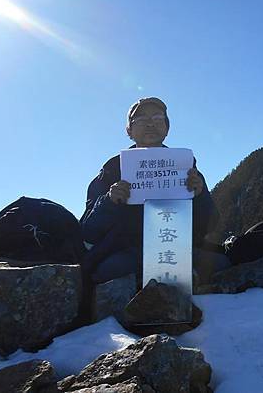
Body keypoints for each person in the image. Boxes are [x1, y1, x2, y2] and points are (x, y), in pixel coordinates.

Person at [80, 97, 230, 286]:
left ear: (167, 129)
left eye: (158, 119)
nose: (150, 124)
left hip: (178, 248)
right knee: (109, 271)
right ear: (129, 131)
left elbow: (210, 224)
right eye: (141, 120)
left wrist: (199, 196)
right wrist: (109, 201)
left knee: (222, 264)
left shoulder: (185, 167)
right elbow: (88, 231)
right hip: (127, 251)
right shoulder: (112, 169)